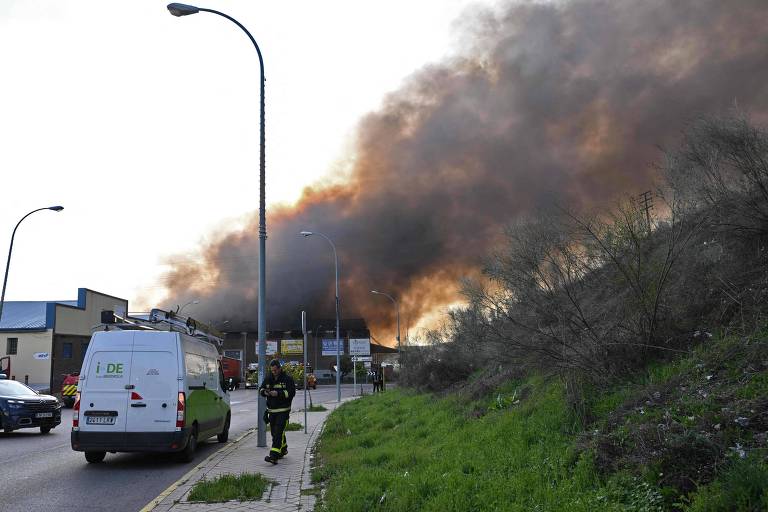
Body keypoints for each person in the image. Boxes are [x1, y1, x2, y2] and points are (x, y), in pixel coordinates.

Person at [259, 359, 296, 465]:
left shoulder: (287, 379)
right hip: (271, 411)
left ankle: (273, 456)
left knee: (278, 432)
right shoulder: (268, 378)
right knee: (274, 433)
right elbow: (261, 390)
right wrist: (265, 392)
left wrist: (278, 393)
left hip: (283, 410)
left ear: (280, 368)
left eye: (275, 370)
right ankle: (283, 449)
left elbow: (291, 392)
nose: (273, 372)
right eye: (272, 371)